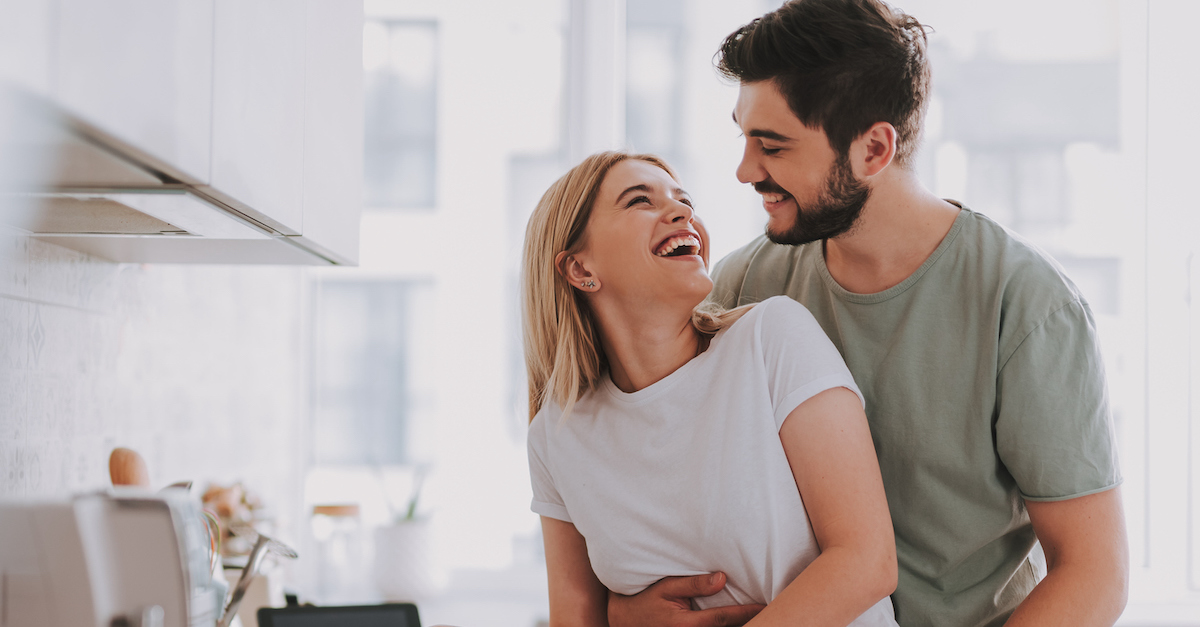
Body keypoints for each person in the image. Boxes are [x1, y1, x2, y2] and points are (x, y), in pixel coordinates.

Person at [607, 1, 1129, 626]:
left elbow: (1093, 571)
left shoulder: (1025, 305)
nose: (745, 170)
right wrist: (626, 609)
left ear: (873, 149)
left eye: (771, 146)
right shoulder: (745, 284)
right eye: (744, 137)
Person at [522, 151, 900, 626]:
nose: (683, 212)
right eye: (640, 201)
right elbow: (576, 617)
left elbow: (867, 562)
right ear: (580, 270)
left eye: (684, 200)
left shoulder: (771, 338)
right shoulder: (556, 438)